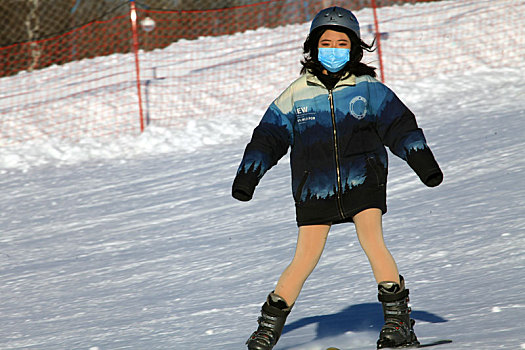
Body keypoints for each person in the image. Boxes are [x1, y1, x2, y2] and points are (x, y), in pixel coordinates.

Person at [232, 6, 443, 350]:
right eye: (325, 42)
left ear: (354, 49)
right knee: (304, 258)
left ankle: (398, 324)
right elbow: (267, 137)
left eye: (341, 43)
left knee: (373, 241)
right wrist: (247, 178)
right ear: (313, 48)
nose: (333, 49)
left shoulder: (369, 89)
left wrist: (425, 165)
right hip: (314, 189)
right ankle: (268, 327)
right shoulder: (296, 94)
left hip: (364, 180)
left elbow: (400, 126)